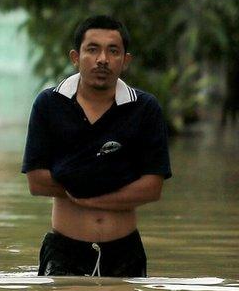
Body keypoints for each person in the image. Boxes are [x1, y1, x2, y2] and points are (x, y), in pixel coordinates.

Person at [22, 15, 172, 277]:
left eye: (113, 51)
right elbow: (37, 182)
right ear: (75, 57)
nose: (102, 59)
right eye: (92, 49)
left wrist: (85, 195)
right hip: (64, 251)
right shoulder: (49, 104)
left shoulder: (144, 108)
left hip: (125, 250)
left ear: (125, 61)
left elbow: (152, 187)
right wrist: (107, 181)